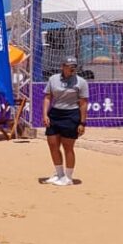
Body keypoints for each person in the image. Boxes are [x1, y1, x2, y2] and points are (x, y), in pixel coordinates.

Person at [43, 56, 88, 185]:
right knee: (53, 145)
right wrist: (45, 115)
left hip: (71, 114)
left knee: (68, 147)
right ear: (63, 66)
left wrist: (82, 122)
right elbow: (47, 98)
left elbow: (84, 103)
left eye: (74, 66)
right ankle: (59, 174)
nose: (72, 68)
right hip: (55, 113)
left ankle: (68, 177)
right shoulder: (53, 79)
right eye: (70, 66)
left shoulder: (81, 82)